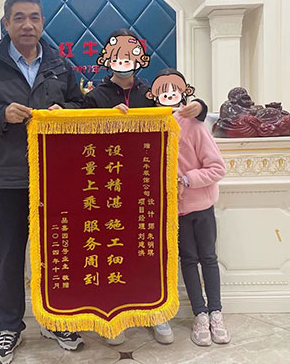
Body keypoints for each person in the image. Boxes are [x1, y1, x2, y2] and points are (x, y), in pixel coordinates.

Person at [0, 0, 84, 364]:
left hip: (55, 177)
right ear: (6, 23)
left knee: (55, 253)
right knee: (10, 256)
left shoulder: (59, 64)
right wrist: (0, 114)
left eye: (35, 17)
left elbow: (80, 105)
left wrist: (63, 111)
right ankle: (9, 327)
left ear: (43, 22)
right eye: (19, 18)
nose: (28, 25)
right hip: (6, 176)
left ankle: (56, 319)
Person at [82, 30, 208, 346]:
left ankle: (156, 312)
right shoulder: (95, 97)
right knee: (114, 251)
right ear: (106, 57)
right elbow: (77, 130)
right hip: (109, 188)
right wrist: (104, 118)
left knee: (151, 251)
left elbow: (185, 110)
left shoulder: (152, 93)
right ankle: (116, 317)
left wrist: (200, 106)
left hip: (151, 185)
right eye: (118, 54)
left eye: (131, 53)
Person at [150, 69, 230, 347]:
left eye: (174, 90)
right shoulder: (152, 124)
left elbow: (218, 167)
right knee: (188, 260)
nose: (168, 95)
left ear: (185, 92)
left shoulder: (194, 125)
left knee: (208, 258)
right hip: (175, 211)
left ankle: (216, 312)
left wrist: (186, 180)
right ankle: (200, 314)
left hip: (202, 207)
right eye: (162, 91)